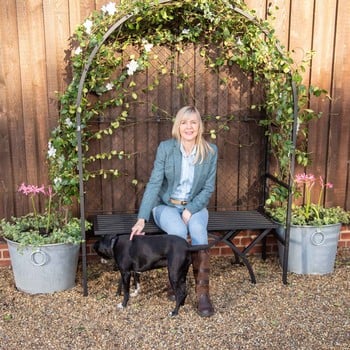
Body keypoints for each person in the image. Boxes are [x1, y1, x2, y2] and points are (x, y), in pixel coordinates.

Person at [130, 105, 218, 317]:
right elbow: (154, 183)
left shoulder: (210, 151)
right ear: (178, 126)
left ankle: (203, 294)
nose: (189, 127)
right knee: (177, 233)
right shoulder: (166, 148)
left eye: (193, 122)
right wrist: (141, 218)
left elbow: (208, 188)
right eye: (184, 122)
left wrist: (191, 209)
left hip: (195, 207)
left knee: (198, 233)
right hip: (167, 206)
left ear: (199, 126)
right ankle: (175, 282)